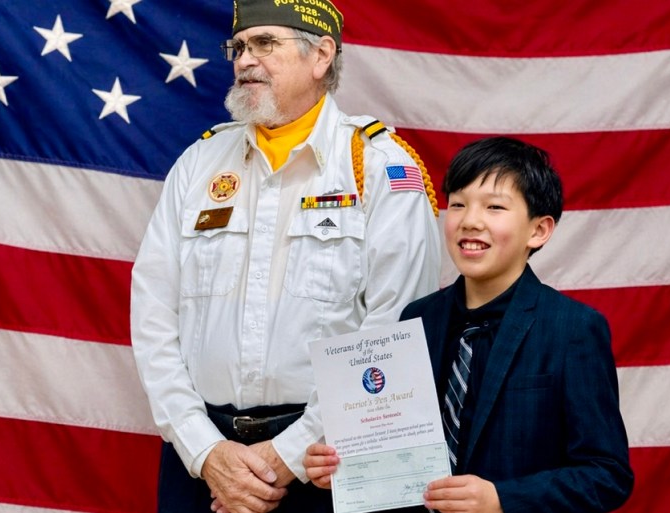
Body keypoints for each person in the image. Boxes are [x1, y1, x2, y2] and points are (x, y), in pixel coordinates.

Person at [129, 0, 442, 512]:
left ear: (321, 55)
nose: (245, 61)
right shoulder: (199, 163)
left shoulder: (380, 166)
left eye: (265, 44)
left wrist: (283, 458)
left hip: (330, 462)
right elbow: (153, 316)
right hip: (206, 467)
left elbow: (395, 332)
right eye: (239, 46)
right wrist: (205, 450)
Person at [303, 136, 634, 513]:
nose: (470, 221)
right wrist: (343, 468)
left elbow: (607, 475)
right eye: (458, 204)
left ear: (538, 230)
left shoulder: (573, 328)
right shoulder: (418, 319)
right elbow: (393, 448)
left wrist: (501, 499)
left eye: (495, 207)